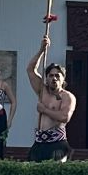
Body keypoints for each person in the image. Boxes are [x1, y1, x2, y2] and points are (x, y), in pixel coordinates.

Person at [27, 33, 76, 161]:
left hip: (57, 143)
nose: (54, 78)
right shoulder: (42, 91)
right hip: (39, 143)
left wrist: (45, 110)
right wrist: (41, 50)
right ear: (47, 79)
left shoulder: (67, 97)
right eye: (51, 75)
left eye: (57, 76)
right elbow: (30, 69)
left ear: (63, 79)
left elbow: (65, 117)